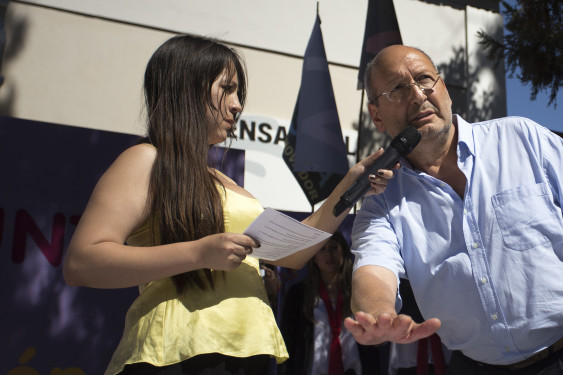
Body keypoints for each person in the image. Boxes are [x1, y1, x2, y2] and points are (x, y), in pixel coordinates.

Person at [62, 34, 395, 375]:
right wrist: (199, 253)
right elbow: (82, 262)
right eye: (227, 88)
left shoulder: (227, 183)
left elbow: (290, 252)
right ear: (186, 87)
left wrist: (349, 187)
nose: (237, 105)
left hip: (248, 354)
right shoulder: (146, 160)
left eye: (239, 93)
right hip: (179, 355)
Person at [343, 45, 563, 375]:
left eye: (424, 79)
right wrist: (378, 315)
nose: (418, 95)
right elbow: (373, 271)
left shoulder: (522, 138)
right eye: (397, 88)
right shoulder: (381, 200)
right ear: (376, 115)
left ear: (444, 88)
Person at [279, 231, 380, 375]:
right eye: (322, 249)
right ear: (314, 257)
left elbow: (373, 341)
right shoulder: (298, 293)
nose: (328, 254)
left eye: (334, 248)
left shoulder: (359, 290)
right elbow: (288, 341)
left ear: (343, 252)